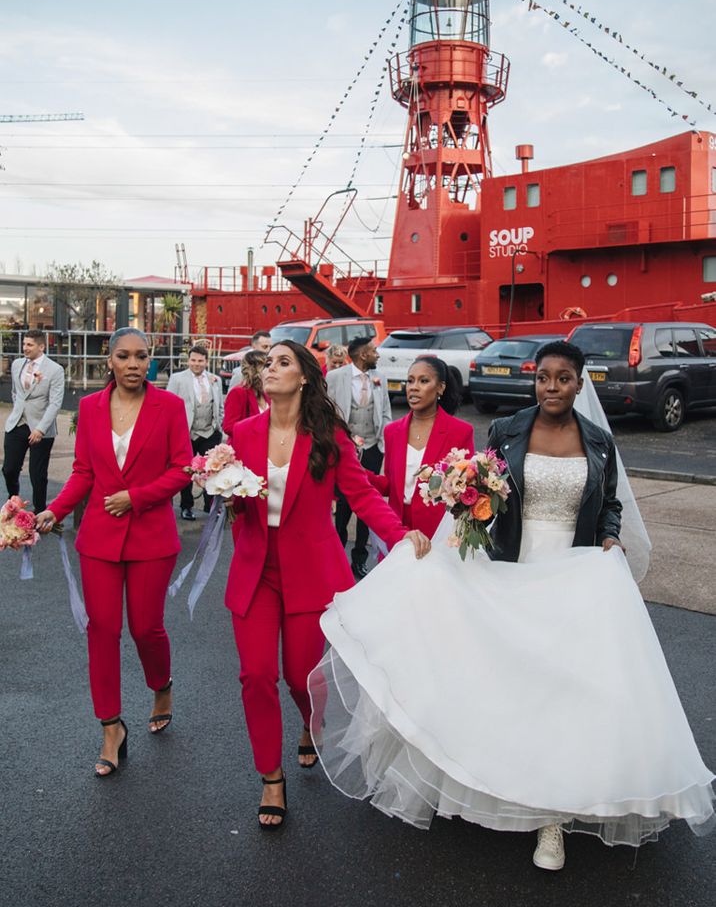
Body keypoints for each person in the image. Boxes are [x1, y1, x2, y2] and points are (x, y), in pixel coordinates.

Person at [309, 340, 714, 868]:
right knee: (506, 686)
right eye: (543, 377)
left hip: (574, 577)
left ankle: (553, 817)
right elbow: (482, 495)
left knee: (563, 695)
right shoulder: (508, 431)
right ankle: (495, 782)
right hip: (511, 570)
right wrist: (455, 538)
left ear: (578, 382)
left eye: (563, 378)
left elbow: (609, 502)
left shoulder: (596, 441)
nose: (551, 387)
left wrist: (611, 538)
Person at [226, 340, 431, 829]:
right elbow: (232, 496)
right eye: (267, 363)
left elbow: (361, 495)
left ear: (303, 377)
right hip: (256, 572)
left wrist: (403, 538)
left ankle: (310, 722)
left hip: (309, 572)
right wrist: (221, 494)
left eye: (282, 362)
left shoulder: (327, 436)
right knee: (256, 676)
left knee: (300, 677)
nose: (269, 369)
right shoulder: (240, 432)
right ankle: (270, 779)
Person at [35, 328, 192, 777]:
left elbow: (183, 468)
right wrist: (54, 510)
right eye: (124, 356)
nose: (133, 364)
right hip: (100, 539)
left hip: (151, 538)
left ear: (151, 361)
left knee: (146, 629)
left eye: (141, 357)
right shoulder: (89, 407)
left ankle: (161, 685)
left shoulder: (170, 407)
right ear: (110, 360)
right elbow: (84, 471)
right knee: (101, 631)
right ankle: (110, 728)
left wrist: (136, 497)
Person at [367, 356, 474, 537]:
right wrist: (356, 471)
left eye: (423, 381)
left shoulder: (460, 432)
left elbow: (466, 488)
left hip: (439, 534)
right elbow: (391, 485)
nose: (413, 387)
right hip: (398, 531)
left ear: (440, 387)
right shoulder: (392, 431)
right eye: (410, 381)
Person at [326, 336, 392, 580]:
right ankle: (336, 557)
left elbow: (385, 409)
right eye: (374, 351)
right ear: (362, 355)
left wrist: (384, 440)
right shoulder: (335, 377)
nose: (378, 354)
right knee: (343, 505)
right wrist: (342, 440)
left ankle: (359, 560)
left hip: (373, 446)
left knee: (368, 503)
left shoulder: (380, 378)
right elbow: (328, 410)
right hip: (345, 449)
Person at [3, 330, 65, 513]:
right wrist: (19, 410)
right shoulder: (16, 364)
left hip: (41, 427)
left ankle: (39, 511)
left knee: (37, 475)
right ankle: (13, 503)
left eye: (29, 345)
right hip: (17, 423)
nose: (25, 348)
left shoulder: (55, 370)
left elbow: (55, 403)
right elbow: (16, 393)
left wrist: (40, 429)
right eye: (24, 344)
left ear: (41, 346)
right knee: (9, 469)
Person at [167, 344, 224, 520]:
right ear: (188, 360)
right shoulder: (177, 379)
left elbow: (220, 406)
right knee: (186, 472)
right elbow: (168, 404)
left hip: (209, 432)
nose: (196, 364)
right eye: (193, 360)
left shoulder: (216, 379)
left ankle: (210, 506)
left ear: (206, 361)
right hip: (187, 433)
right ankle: (186, 506)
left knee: (212, 471)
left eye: (200, 360)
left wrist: (218, 425)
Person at [222, 351, 269, 436]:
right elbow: (229, 427)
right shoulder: (238, 392)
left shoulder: (266, 392)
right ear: (257, 369)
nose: (271, 370)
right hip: (246, 446)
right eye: (267, 366)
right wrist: (257, 430)